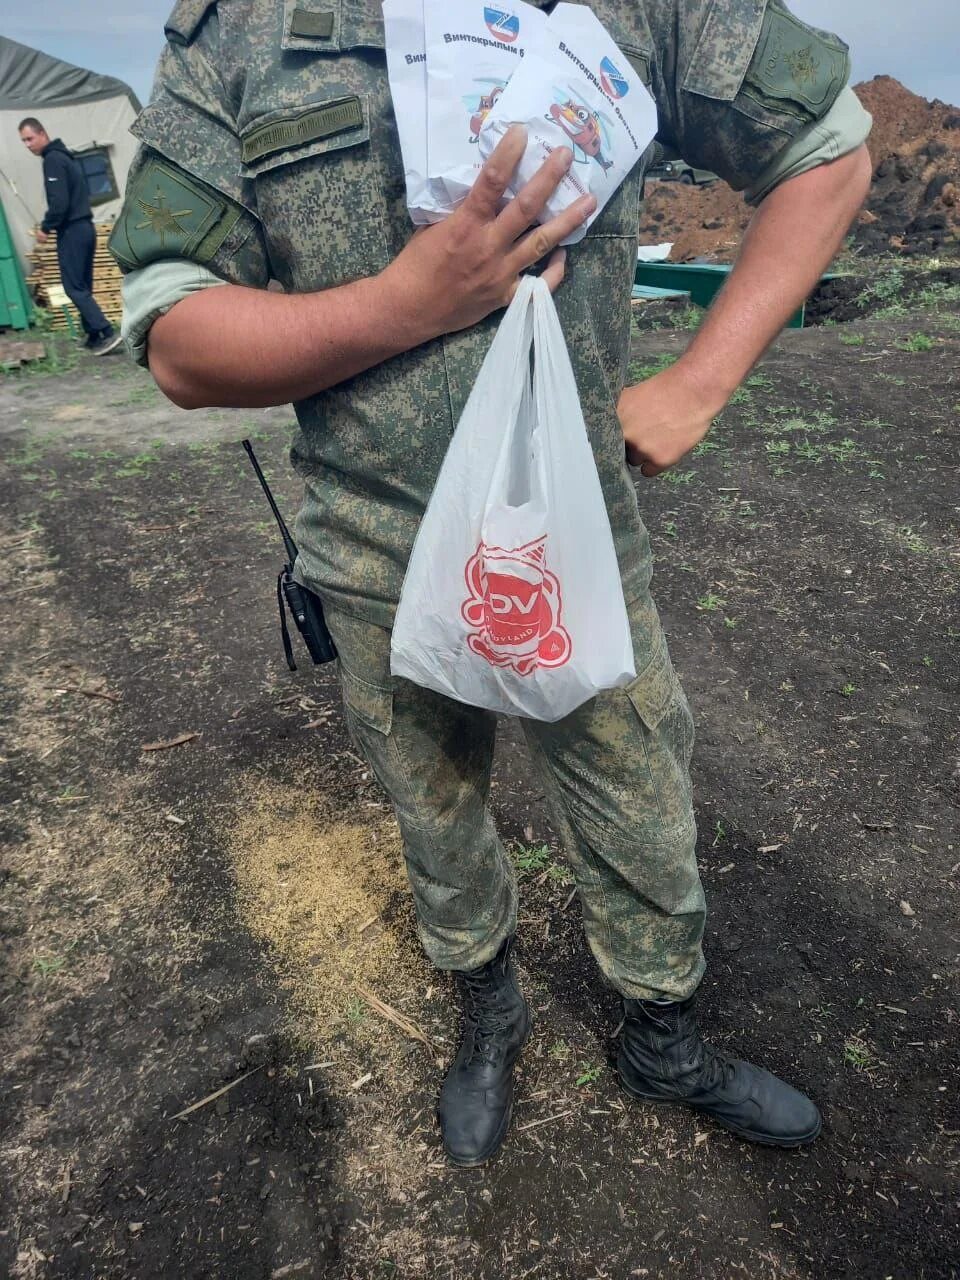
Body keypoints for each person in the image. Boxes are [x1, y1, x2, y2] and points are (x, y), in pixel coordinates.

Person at [112, 0, 873, 1166]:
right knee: (437, 811)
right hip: (374, 551)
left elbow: (826, 149)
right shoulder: (241, 32)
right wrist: (406, 303)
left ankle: (661, 1033)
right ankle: (489, 1008)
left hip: (575, 548)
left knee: (641, 799)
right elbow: (176, 337)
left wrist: (700, 382)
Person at [18, 118, 123, 355]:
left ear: (43, 134)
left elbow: (60, 203)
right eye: (23, 141)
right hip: (86, 228)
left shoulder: (53, 160)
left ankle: (105, 332)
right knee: (82, 285)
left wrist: (46, 227)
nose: (27, 145)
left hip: (73, 230)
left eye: (29, 138)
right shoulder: (66, 157)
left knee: (73, 287)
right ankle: (93, 335)